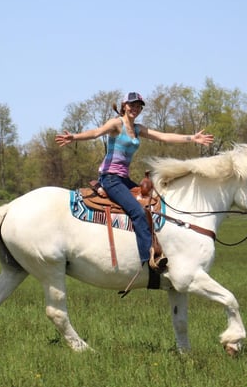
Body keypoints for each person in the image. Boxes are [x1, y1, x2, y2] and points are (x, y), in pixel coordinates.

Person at [55, 91, 214, 275]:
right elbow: (96, 132)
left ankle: (160, 244)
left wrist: (192, 138)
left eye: (138, 106)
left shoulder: (138, 129)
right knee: (137, 212)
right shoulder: (116, 124)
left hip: (124, 179)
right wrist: (74, 137)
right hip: (110, 178)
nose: (135, 109)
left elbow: (163, 136)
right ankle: (149, 259)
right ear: (124, 106)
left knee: (154, 203)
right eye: (132, 105)